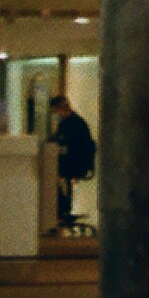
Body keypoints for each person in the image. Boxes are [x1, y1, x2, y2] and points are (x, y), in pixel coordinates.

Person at [43, 93, 96, 233]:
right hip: (76, 162)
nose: (56, 115)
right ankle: (62, 210)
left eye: (56, 111)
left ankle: (61, 211)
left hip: (74, 163)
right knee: (55, 177)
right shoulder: (73, 122)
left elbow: (65, 144)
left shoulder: (73, 124)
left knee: (51, 176)